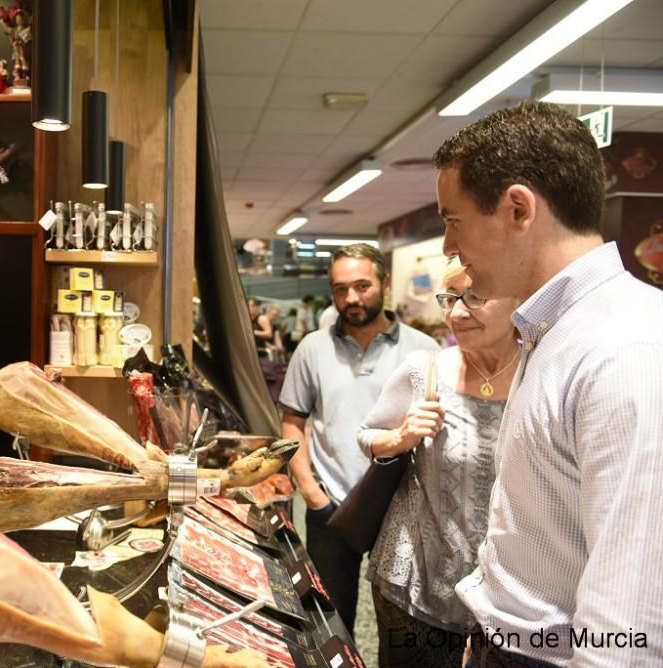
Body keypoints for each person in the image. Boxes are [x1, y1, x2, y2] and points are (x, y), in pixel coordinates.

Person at [435, 101, 663, 667]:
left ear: (517, 208)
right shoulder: (553, 327)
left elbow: (628, 619)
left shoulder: (626, 347)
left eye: (452, 219)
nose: (447, 245)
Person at [357, 265, 519, 666]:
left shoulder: (538, 373)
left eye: (475, 297)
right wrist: (401, 438)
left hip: (506, 596)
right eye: (450, 298)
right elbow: (368, 435)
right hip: (416, 578)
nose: (457, 313)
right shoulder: (423, 370)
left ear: (518, 299)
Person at [279, 243, 437, 635]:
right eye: (340, 289)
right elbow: (292, 423)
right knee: (330, 624)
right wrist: (311, 493)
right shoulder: (312, 349)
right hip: (331, 506)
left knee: (402, 627)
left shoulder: (423, 350)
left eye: (362, 286)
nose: (351, 298)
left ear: (385, 283)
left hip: (402, 509)